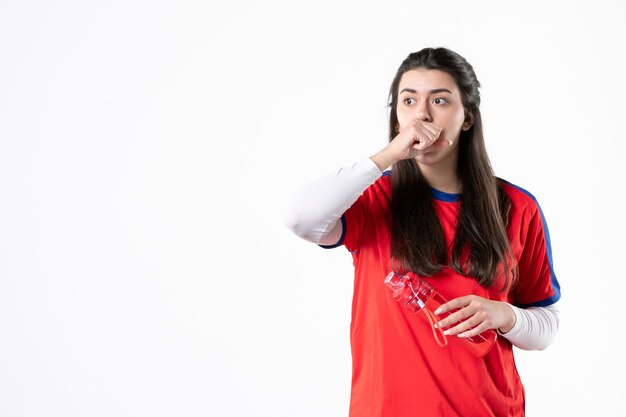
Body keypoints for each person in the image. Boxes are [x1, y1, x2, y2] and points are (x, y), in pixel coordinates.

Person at [283, 47, 561, 417]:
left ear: (467, 118)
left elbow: (546, 326)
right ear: (397, 117)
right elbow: (301, 219)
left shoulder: (516, 206)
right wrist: (389, 155)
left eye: (441, 100)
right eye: (409, 101)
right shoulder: (373, 198)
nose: (422, 115)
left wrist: (506, 316)